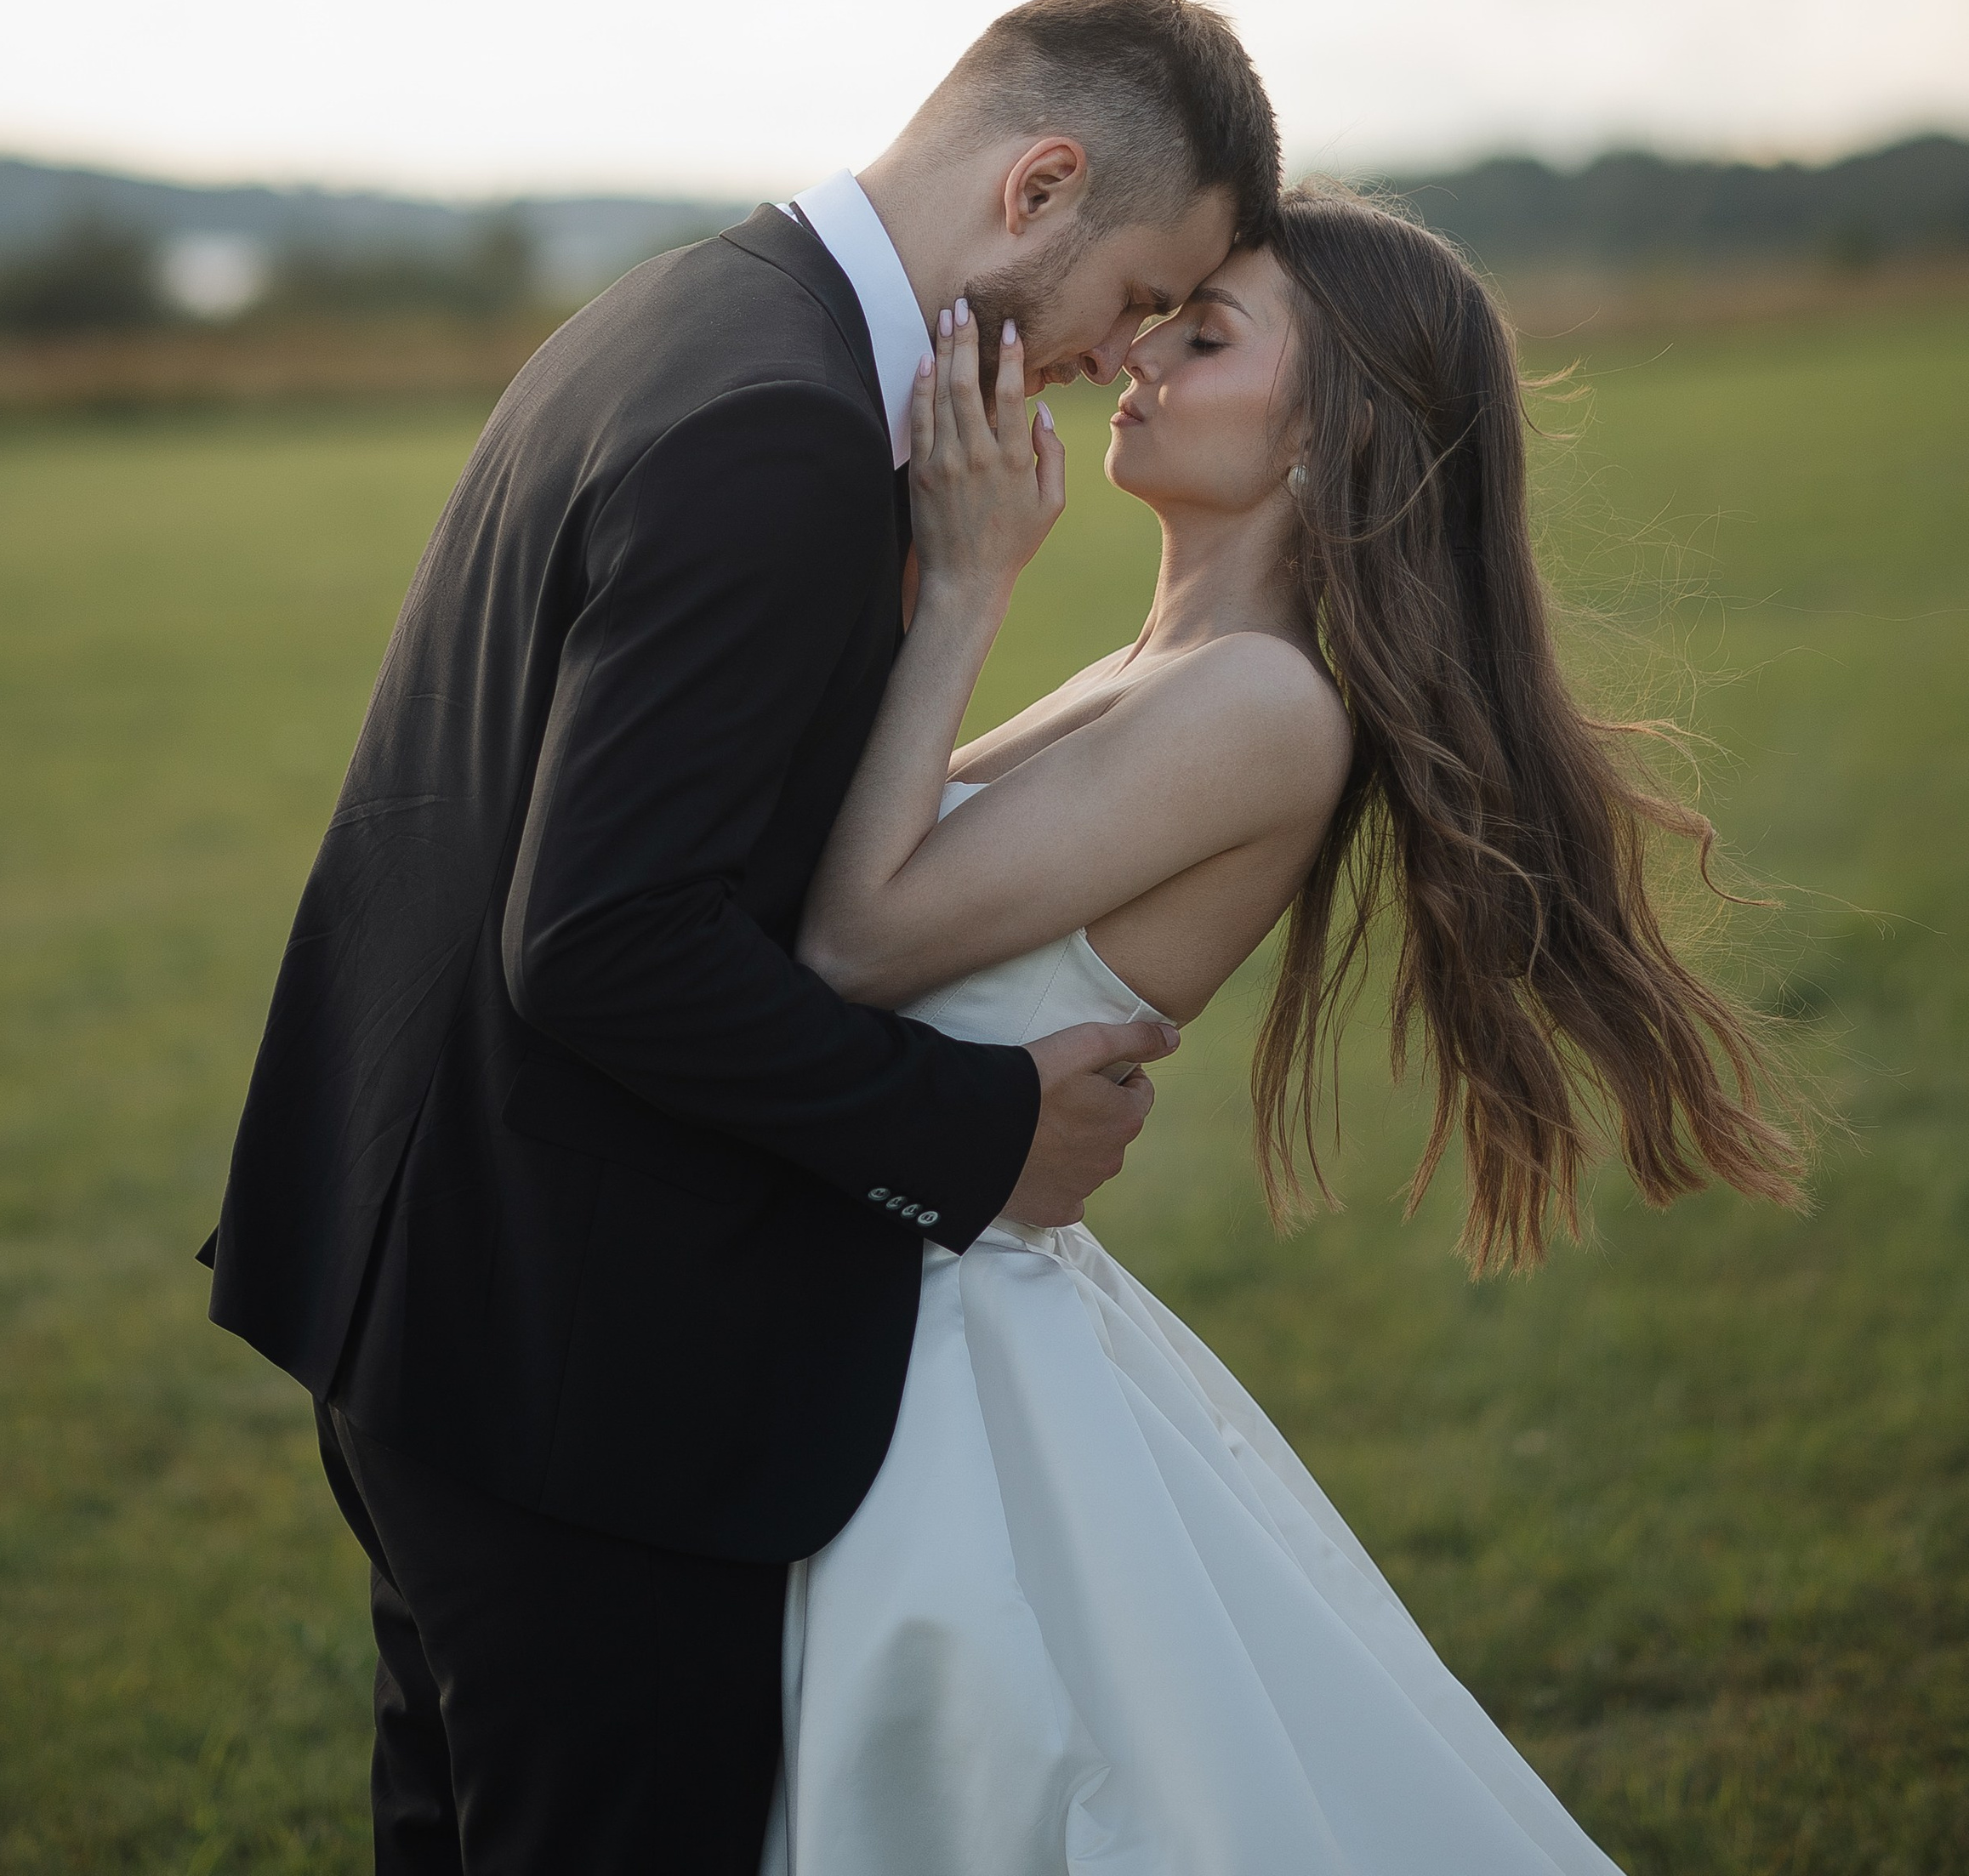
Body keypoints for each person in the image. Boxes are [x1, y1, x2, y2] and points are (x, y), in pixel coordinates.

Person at [198, 0, 1278, 1874]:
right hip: (569, 1369)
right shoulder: (778, 428)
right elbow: (603, 934)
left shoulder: (690, 309)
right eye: (1133, 297)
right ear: (1035, 184)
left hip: (430, 1299)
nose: (1118, 352)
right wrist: (982, 1131)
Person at [771, 189, 1802, 1875]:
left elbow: (851, 937)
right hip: (887, 1313)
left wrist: (958, 590)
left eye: (1202, 335)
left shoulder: (1257, 702)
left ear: (1328, 426)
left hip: (948, 1377)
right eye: (1154, 316)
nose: (1133, 360)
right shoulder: (1155, 663)